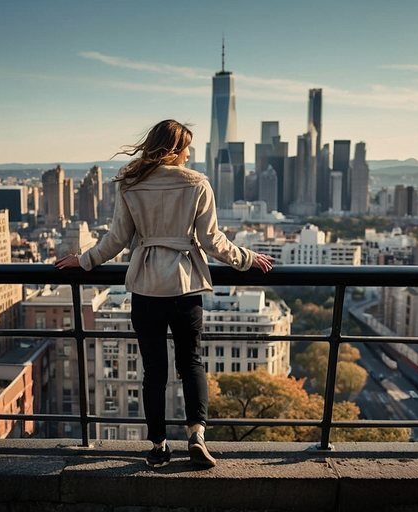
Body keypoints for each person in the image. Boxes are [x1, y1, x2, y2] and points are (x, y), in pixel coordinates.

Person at [55, 119, 274, 468]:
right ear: (175, 149)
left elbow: (115, 240)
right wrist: (248, 259)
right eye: (186, 148)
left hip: (146, 288)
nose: (188, 155)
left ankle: (158, 446)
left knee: (154, 371)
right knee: (191, 363)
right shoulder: (198, 184)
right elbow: (212, 242)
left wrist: (83, 261)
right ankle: (196, 435)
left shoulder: (131, 184)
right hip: (185, 288)